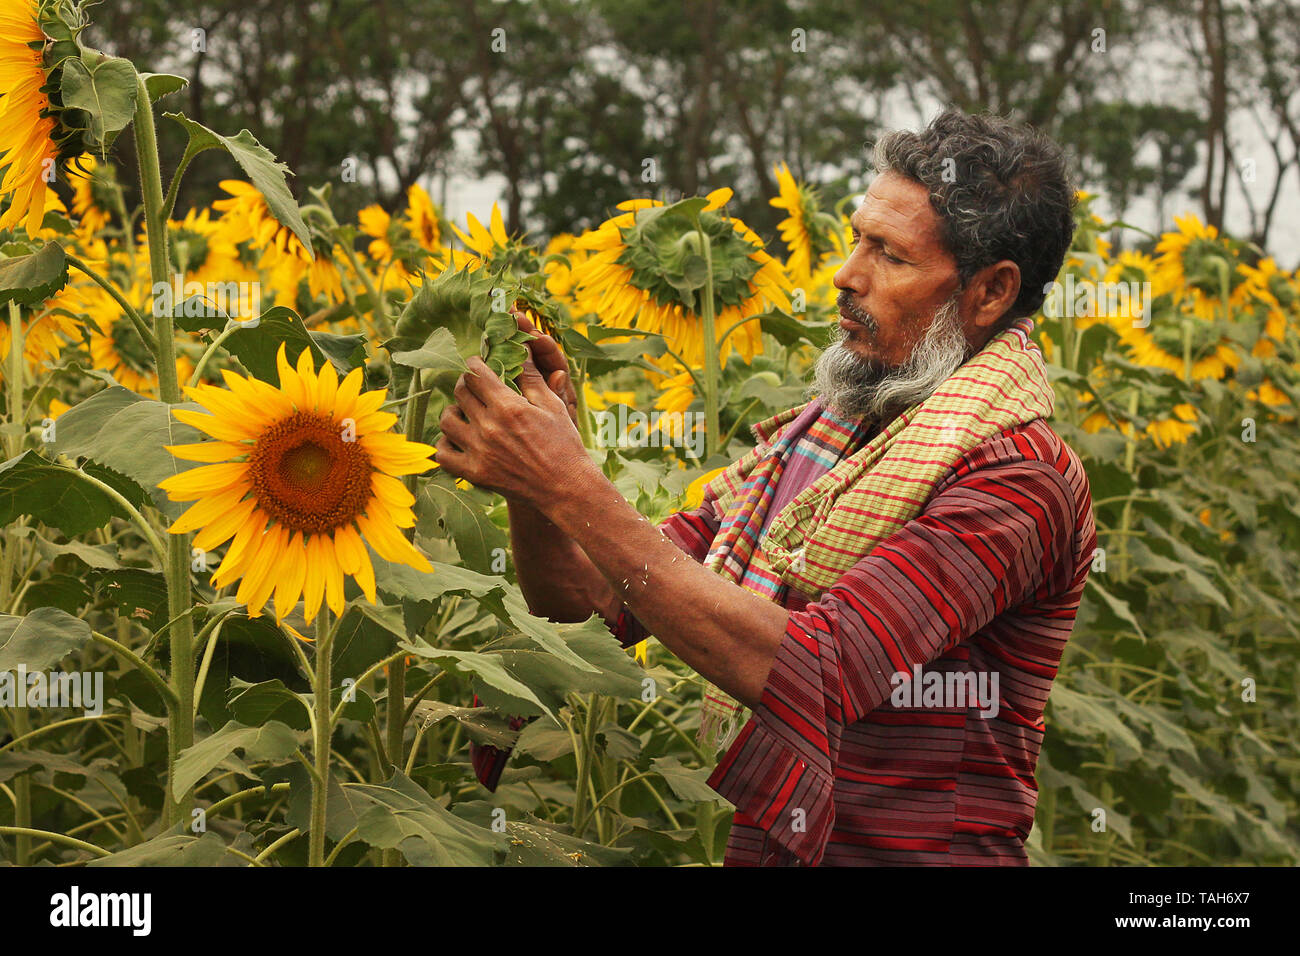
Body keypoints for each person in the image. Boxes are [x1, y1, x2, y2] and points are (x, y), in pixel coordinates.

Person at [434, 107, 1097, 866]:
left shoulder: (1018, 480)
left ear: (989, 292)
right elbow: (594, 605)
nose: (848, 275)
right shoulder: (824, 442)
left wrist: (572, 484)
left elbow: (818, 669)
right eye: (856, 240)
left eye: (891, 256)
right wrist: (536, 478)